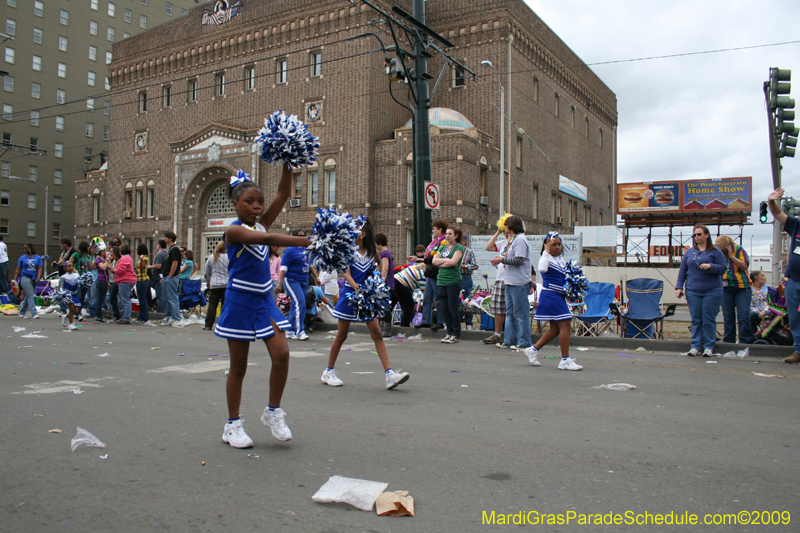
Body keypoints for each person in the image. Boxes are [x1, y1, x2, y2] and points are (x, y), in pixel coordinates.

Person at [215, 165, 310, 448]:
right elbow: (269, 240)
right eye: (249, 202)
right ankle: (233, 425)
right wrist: (303, 241)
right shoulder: (233, 231)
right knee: (239, 366)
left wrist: (287, 163)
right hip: (240, 300)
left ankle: (273, 412)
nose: (256, 207)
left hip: (264, 299)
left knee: (282, 354)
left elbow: (283, 193)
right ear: (235, 204)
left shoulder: (261, 223)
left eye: (259, 202)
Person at [322, 218, 410, 389]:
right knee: (342, 335)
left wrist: (375, 280)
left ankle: (389, 374)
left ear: (362, 234)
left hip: (367, 296)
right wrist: (358, 288)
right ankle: (328, 371)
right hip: (350, 295)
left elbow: (378, 264)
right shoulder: (347, 251)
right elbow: (345, 274)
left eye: (354, 229)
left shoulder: (371, 251)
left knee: (377, 333)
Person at [523, 232, 583, 370]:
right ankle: (565, 360)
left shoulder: (560, 260)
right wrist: (545, 251)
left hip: (558, 296)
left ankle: (533, 350)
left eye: (559, 244)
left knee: (556, 329)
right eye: (553, 245)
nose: (557, 247)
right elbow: (542, 268)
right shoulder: (546, 258)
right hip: (551, 295)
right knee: (566, 325)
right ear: (546, 246)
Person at [675, 224, 726, 357]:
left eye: (699, 234)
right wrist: (679, 287)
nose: (697, 237)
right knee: (696, 319)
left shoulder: (715, 252)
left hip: (712, 290)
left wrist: (711, 266)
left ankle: (709, 346)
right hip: (693, 290)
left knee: (708, 318)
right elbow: (683, 271)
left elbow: (723, 268)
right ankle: (695, 346)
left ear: (707, 235)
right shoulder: (690, 252)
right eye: (695, 235)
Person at [768, 188, 800, 363]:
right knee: (795, 318)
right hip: (794, 282)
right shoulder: (796, 225)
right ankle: (798, 351)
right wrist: (771, 201)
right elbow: (778, 214)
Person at [491, 215, 532, 351]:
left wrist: (501, 260)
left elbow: (519, 259)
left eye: (506, 225)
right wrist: (501, 259)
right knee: (510, 312)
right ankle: (509, 340)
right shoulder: (513, 240)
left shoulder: (520, 240)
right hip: (509, 281)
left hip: (519, 282)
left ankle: (524, 341)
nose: (504, 228)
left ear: (511, 227)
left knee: (520, 313)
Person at [715, 235, 752, 344]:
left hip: (742, 287)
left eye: (724, 250)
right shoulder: (717, 252)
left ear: (728, 246)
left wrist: (731, 256)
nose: (723, 253)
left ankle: (745, 341)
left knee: (743, 316)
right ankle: (729, 341)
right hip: (725, 288)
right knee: (728, 317)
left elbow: (745, 266)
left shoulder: (738, 249)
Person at [277, 229, 310, 340]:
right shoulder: (290, 250)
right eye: (298, 236)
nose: (301, 237)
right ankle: (299, 331)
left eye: (303, 235)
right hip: (291, 280)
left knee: (295, 304)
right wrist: (279, 283)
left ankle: (290, 330)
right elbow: (283, 268)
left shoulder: (307, 249)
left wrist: (316, 277)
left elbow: (310, 265)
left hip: (304, 280)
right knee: (300, 302)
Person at [432, 227, 464, 343]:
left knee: (452, 307)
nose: (447, 236)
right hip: (441, 280)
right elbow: (434, 262)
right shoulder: (442, 247)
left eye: (450, 234)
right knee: (444, 308)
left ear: (455, 235)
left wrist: (443, 262)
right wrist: (447, 262)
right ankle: (449, 332)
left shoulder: (459, 247)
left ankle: (456, 333)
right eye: (446, 234)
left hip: (453, 281)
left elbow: (454, 262)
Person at [420, 219, 448, 330]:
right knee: (427, 297)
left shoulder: (443, 241)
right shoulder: (435, 241)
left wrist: (426, 260)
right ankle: (426, 320)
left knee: (438, 297)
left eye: (434, 228)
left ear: (440, 230)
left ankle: (440, 321)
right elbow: (428, 256)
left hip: (437, 271)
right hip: (430, 272)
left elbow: (438, 256)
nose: (433, 230)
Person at [482, 226, 507, 345]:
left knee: (511, 309)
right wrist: (497, 232)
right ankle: (497, 334)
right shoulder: (503, 243)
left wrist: (501, 259)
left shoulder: (519, 242)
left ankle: (511, 334)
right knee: (498, 309)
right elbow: (488, 247)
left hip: (511, 280)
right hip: (500, 279)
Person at [393, 261, 426, 338]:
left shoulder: (417, 267)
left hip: (395, 280)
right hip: (401, 284)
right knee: (409, 306)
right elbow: (424, 292)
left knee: (393, 305)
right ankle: (405, 328)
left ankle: (383, 325)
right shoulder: (423, 275)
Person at [203, 240, 229, 331]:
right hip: (227, 284)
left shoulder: (211, 258)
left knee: (212, 304)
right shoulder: (229, 257)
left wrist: (208, 281)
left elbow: (206, 271)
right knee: (225, 305)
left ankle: (208, 324)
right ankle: (223, 324)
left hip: (215, 284)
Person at [14, 243, 43, 319]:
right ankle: (34, 313)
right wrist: (14, 280)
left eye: (26, 248)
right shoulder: (22, 258)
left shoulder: (38, 258)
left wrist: (38, 276)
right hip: (25, 277)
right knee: (30, 295)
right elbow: (18, 269)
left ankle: (22, 312)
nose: (25, 249)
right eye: (24, 248)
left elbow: (39, 268)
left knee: (28, 296)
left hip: (34, 278)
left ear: (30, 248)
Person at [375, 233, 396, 338]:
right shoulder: (386, 253)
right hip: (389, 283)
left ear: (379, 243)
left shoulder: (384, 254)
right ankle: (383, 328)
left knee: (385, 307)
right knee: (384, 306)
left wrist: (382, 282)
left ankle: (386, 329)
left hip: (386, 284)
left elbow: (385, 268)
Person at [160, 231, 183, 325]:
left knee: (172, 298)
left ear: (170, 239)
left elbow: (175, 263)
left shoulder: (175, 249)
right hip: (166, 277)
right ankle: (168, 317)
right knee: (166, 299)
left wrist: (170, 276)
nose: (164, 239)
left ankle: (176, 317)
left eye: (166, 237)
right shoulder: (169, 249)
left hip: (171, 277)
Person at [459, 233, 479, 331]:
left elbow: (475, 265)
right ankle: (457, 321)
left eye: (461, 240)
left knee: (468, 299)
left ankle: (469, 322)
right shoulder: (455, 251)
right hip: (455, 277)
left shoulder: (469, 252)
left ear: (465, 241)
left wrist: (465, 266)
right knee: (456, 299)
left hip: (466, 277)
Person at [114, 244, 136, 324]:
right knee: (125, 299)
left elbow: (121, 270)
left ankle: (126, 317)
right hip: (128, 280)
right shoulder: (128, 258)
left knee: (125, 299)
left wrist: (114, 270)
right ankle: (125, 316)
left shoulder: (124, 259)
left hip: (125, 280)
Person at [69, 240, 94, 310]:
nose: (89, 248)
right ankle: (76, 311)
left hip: (85, 279)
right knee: (79, 296)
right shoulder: (75, 254)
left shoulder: (87, 256)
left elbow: (90, 267)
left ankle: (79, 311)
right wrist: (74, 270)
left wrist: (95, 262)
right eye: (88, 246)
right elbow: (69, 264)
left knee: (83, 296)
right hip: (77, 278)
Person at [59, 260, 81, 330]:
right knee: (71, 309)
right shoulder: (63, 277)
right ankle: (71, 324)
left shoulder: (77, 275)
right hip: (68, 295)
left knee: (76, 311)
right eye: (69, 266)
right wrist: (63, 294)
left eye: (72, 266)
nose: (71, 267)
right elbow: (61, 287)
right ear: (65, 268)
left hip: (75, 294)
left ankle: (66, 316)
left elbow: (80, 284)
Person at [93, 247, 111, 323]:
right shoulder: (98, 259)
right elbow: (103, 268)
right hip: (101, 280)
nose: (105, 252)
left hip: (105, 280)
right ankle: (98, 316)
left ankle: (99, 316)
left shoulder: (103, 259)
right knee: (99, 299)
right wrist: (107, 260)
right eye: (103, 251)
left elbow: (109, 267)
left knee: (102, 299)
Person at [749, 270, 769, 337]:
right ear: (756, 277)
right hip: (754, 311)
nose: (765, 278)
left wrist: (764, 311)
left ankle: (767, 335)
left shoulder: (768, 289)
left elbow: (770, 303)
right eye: (762, 276)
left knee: (770, 314)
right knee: (750, 314)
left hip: (766, 311)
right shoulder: (749, 290)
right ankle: (753, 336)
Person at [150, 240, 167, 313]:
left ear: (159, 245)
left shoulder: (160, 255)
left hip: (158, 278)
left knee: (159, 297)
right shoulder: (166, 254)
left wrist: (150, 267)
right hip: (165, 277)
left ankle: (161, 312)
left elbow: (158, 265)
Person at [135, 244, 151, 323]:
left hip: (143, 280)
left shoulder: (144, 258)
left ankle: (144, 316)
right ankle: (141, 315)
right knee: (140, 299)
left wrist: (141, 260)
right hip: (139, 279)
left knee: (143, 299)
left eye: (137, 249)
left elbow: (142, 267)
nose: (136, 250)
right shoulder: (141, 258)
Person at [107, 246, 122, 321]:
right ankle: (115, 314)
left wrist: (111, 268)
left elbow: (117, 269)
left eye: (112, 251)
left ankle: (117, 314)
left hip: (117, 280)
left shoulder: (119, 260)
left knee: (113, 297)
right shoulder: (112, 260)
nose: (110, 253)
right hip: (111, 280)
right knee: (112, 298)